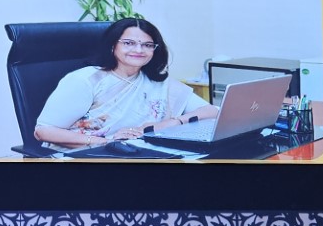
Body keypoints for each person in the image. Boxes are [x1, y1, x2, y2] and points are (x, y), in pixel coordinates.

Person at [33, 17, 217, 151]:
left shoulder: (156, 81)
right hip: (87, 155)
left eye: (147, 45)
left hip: (138, 152)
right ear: (113, 46)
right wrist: (108, 142)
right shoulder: (87, 80)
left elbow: (212, 111)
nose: (139, 50)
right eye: (129, 43)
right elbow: (44, 131)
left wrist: (171, 122)